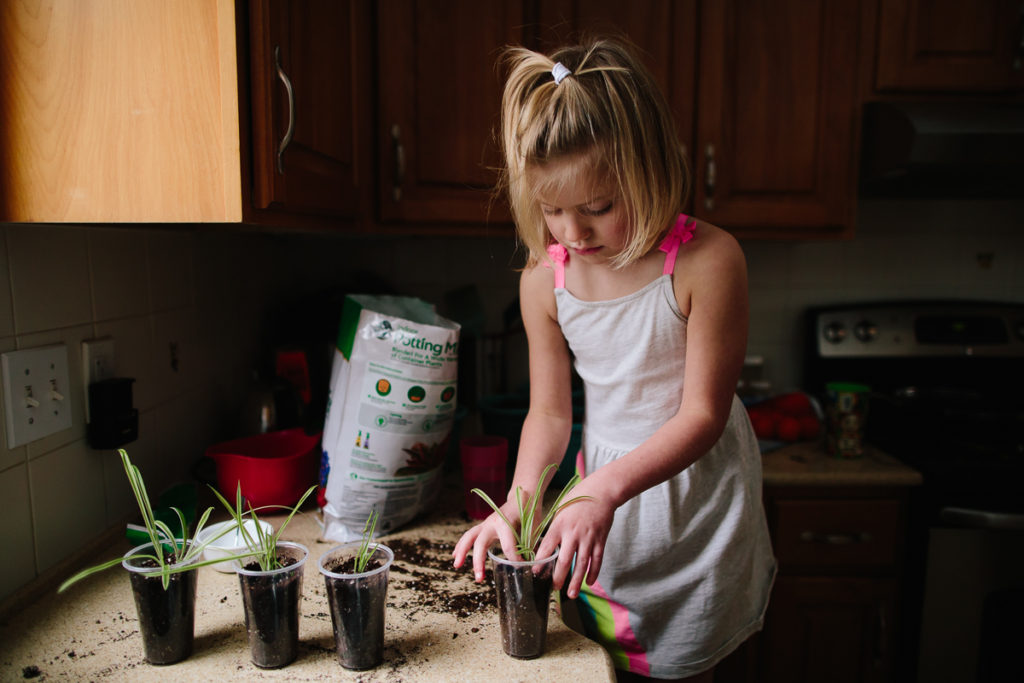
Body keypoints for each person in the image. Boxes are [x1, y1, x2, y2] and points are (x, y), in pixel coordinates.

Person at [452, 37, 776, 682]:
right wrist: (518, 500)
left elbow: (703, 415)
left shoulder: (708, 262)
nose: (573, 233)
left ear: (650, 170)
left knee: (690, 662)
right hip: (597, 497)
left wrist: (602, 491)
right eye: (552, 210)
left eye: (598, 207)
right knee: (603, 662)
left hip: (693, 498)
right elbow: (548, 413)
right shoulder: (545, 281)